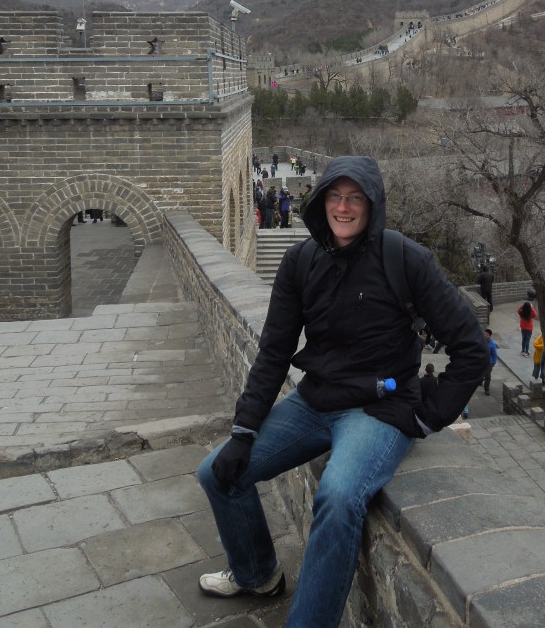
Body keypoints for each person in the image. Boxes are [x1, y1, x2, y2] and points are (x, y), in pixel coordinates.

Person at [196, 155, 489, 628]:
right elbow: (274, 351)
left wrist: (426, 416)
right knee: (216, 473)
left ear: (372, 204)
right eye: (334, 196)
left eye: (355, 197)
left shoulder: (405, 259)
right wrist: (244, 430)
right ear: (321, 202)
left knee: (337, 496)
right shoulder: (301, 261)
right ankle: (256, 574)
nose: (343, 207)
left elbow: (472, 348)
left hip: (378, 410)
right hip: (315, 401)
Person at [517, 290, 538, 356]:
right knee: (527, 340)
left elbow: (518, 310)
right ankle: (526, 352)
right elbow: (535, 314)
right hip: (529, 329)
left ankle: (522, 351)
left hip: (523, 328)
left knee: (523, 339)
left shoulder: (521, 313)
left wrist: (522, 306)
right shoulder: (530, 314)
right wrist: (531, 307)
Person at [483, 328, 498, 395]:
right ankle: (480, 380)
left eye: (486, 334)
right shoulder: (482, 341)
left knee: (488, 376)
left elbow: (494, 354)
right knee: (480, 372)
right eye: (484, 334)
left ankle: (486, 388)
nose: (485, 335)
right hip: (481, 361)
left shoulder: (492, 344)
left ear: (490, 336)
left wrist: (493, 362)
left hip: (489, 362)